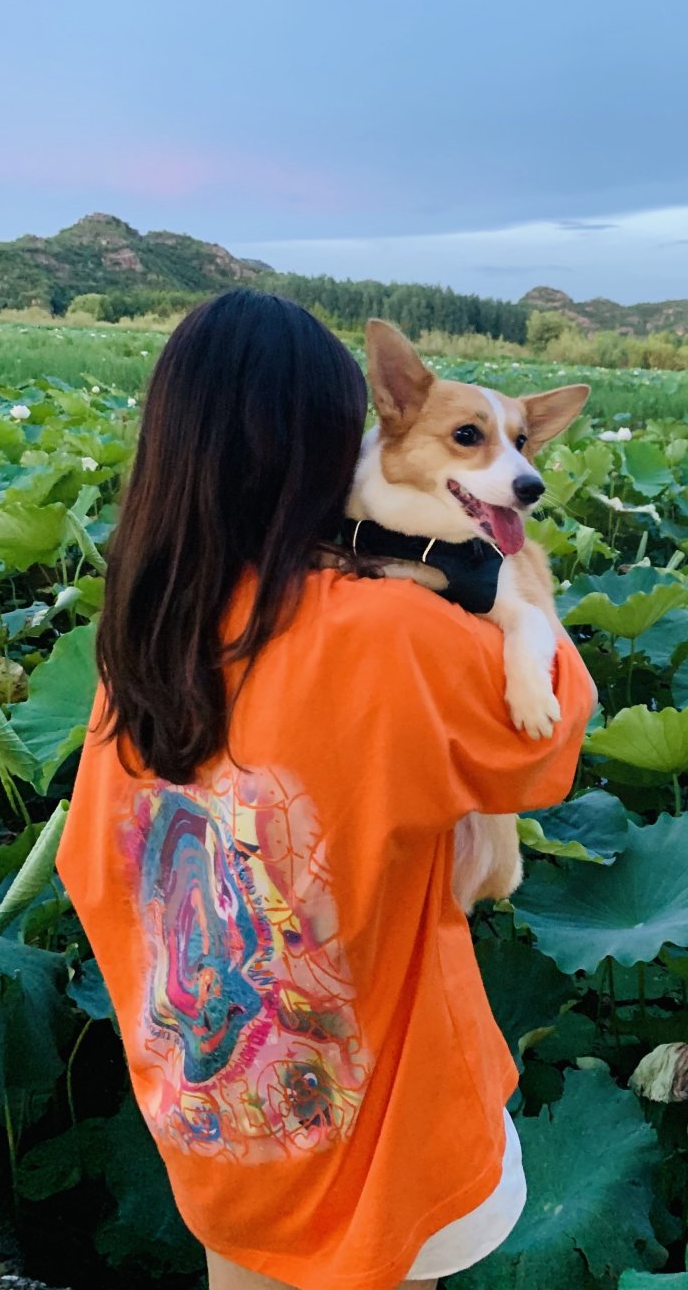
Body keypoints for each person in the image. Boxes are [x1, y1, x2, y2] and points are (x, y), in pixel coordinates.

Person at [56, 289, 595, 1290]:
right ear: (327, 445)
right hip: (389, 1130)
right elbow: (555, 724)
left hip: (218, 1120)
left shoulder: (140, 640)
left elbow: (97, 868)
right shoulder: (387, 631)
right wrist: (503, 581)